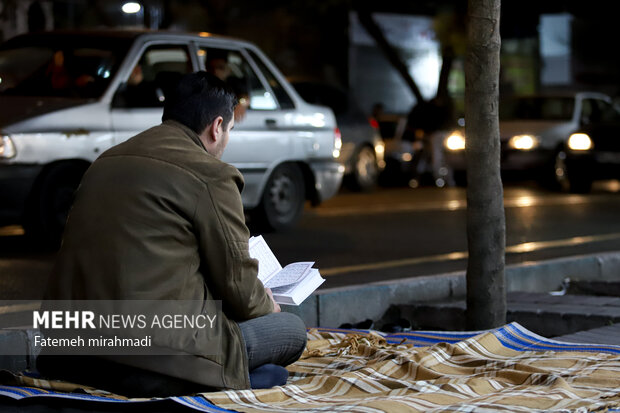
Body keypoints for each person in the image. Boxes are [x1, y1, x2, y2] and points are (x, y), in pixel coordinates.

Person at [37, 71, 307, 397]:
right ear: (217, 126)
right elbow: (241, 291)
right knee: (291, 330)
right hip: (152, 355)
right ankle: (222, 376)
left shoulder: (104, 161)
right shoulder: (212, 175)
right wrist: (268, 305)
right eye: (230, 131)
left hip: (68, 351)